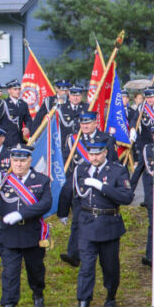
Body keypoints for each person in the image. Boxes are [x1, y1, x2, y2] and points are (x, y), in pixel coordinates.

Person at [57, 140, 134, 307]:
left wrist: (102, 187)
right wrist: (62, 211)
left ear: (105, 152)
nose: (94, 158)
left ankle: (110, 296)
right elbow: (69, 189)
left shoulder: (117, 170)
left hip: (108, 224)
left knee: (110, 267)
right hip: (87, 224)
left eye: (97, 154)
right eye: (91, 154)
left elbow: (127, 197)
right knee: (86, 269)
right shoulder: (81, 169)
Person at [0, 145, 53, 307]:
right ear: (11, 161)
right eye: (15, 161)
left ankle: (37, 294)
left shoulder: (41, 180)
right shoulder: (3, 179)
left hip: (31, 233)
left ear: (30, 161)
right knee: (9, 273)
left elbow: (45, 204)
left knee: (35, 269)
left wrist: (22, 214)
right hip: (8, 234)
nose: (18, 164)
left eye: (22, 161)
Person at [59, 112, 117, 268]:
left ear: (95, 123)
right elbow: (67, 160)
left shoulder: (106, 139)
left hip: (99, 184)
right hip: (80, 185)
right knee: (77, 218)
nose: (84, 126)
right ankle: (73, 254)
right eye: (82, 124)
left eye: (88, 123)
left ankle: (100, 249)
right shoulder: (73, 139)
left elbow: (113, 163)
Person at [0, 79, 31, 149]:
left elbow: (28, 119)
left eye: (19, 89)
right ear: (9, 91)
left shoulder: (23, 104)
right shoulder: (4, 104)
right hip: (6, 140)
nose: (18, 91)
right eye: (15, 89)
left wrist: (27, 127)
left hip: (19, 140)